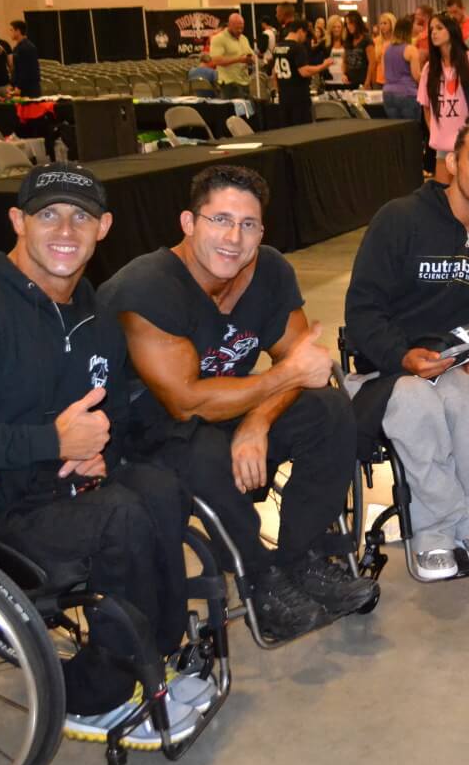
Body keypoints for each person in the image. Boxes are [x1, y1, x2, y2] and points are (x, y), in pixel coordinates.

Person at [0, 164, 209, 745]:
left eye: (81, 216)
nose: (65, 229)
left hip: (35, 489)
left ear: (103, 228)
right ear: (17, 221)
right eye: (47, 214)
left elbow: (109, 414)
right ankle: (97, 695)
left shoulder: (93, 317)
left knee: (159, 487)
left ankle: (153, 658)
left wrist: (99, 450)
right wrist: (52, 442)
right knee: (117, 519)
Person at [101, 164, 375, 642]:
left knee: (328, 410)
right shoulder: (147, 288)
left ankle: (305, 558)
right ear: (188, 223)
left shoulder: (268, 270)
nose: (234, 238)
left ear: (262, 232)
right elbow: (187, 403)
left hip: (228, 408)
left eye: (248, 224)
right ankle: (260, 581)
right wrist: (282, 378)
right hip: (150, 430)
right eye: (220, 220)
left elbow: (297, 360)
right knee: (207, 453)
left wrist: (257, 422)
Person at [345, 118, 469, 578]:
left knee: (460, 395)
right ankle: (434, 526)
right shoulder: (399, 220)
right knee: (416, 400)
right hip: (386, 370)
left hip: (457, 365)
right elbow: (363, 310)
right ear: (452, 163)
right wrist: (401, 356)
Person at [419, 14, 469, 165]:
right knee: (443, 180)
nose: (434, 32)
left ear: (452, 30)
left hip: (468, 142)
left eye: (439, 28)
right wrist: (435, 131)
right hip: (442, 145)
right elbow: (426, 106)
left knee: (467, 180)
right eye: (431, 29)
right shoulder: (429, 68)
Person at [271, 19, 331, 126]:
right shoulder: (298, 48)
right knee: (302, 130)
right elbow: (304, 71)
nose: (305, 37)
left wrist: (278, 91)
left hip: (284, 98)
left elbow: (274, 74)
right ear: (300, 31)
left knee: (287, 129)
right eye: (305, 33)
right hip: (299, 98)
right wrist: (323, 66)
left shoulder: (277, 47)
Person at [380, 14, 423, 121]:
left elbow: (384, 72)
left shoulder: (386, 48)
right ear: (409, 31)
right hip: (407, 94)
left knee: (396, 128)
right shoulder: (411, 50)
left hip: (388, 94)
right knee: (411, 128)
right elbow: (416, 76)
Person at [208, 12, 257, 99]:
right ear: (229, 25)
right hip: (229, 84)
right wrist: (239, 59)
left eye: (242, 28)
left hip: (245, 82)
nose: (240, 31)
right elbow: (216, 61)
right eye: (237, 28)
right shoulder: (218, 39)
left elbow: (251, 54)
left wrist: (252, 59)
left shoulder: (244, 38)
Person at [7, 19, 41, 98]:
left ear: (18, 31)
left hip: (29, 89)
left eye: (11, 30)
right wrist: (12, 84)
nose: (9, 33)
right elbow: (16, 69)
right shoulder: (17, 47)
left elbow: (27, 69)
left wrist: (19, 86)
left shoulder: (27, 47)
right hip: (22, 87)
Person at [344, 11, 375, 92]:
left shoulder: (366, 39)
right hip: (349, 82)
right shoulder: (348, 40)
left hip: (363, 81)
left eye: (351, 23)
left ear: (357, 23)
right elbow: (344, 61)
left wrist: (367, 81)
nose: (349, 26)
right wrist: (344, 74)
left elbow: (372, 63)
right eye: (347, 24)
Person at [367, 11, 397, 87]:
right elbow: (373, 63)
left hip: (394, 80)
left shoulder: (397, 41)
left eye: (385, 23)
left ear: (392, 24)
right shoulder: (376, 41)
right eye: (381, 23)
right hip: (379, 80)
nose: (382, 26)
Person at [326, 16, 348, 87]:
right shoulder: (325, 44)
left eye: (339, 27)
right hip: (329, 80)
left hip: (344, 80)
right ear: (330, 28)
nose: (336, 29)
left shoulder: (347, 43)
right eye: (334, 27)